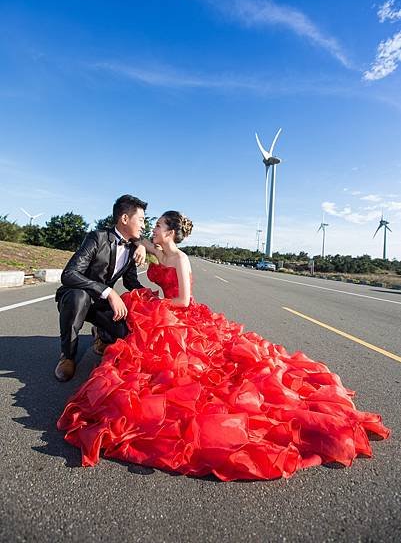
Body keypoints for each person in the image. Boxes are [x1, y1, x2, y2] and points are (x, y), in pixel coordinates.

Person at [58, 211, 389, 481]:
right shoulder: (159, 251)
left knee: (190, 369)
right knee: (135, 328)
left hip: (180, 312)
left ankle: (101, 340)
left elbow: (184, 299)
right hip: (164, 308)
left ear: (170, 232)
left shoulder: (181, 259)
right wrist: (142, 245)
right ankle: (100, 339)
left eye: (157, 225)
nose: (152, 228)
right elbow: (139, 242)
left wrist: (159, 304)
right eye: (152, 224)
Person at [54, 194, 147, 382]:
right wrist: (109, 291)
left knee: (124, 331)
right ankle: (67, 356)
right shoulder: (97, 237)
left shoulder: (132, 249)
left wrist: (150, 298)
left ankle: (100, 334)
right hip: (76, 296)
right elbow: (69, 274)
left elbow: (131, 282)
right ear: (124, 218)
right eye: (142, 220)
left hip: (100, 303)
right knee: (79, 298)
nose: (144, 225)